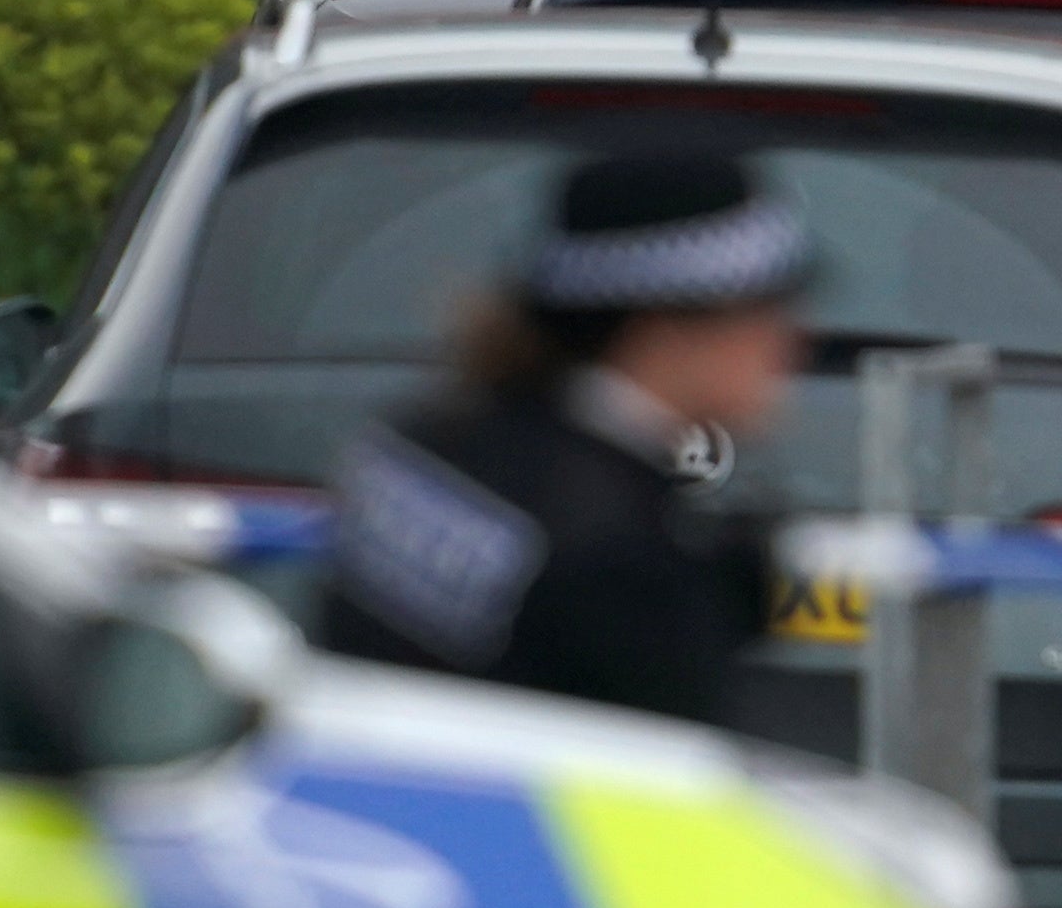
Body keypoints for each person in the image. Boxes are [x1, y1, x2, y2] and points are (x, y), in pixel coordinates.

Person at [314, 147, 811, 729]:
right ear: (667, 330)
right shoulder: (619, 563)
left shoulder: (419, 448)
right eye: (768, 309)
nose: (792, 341)